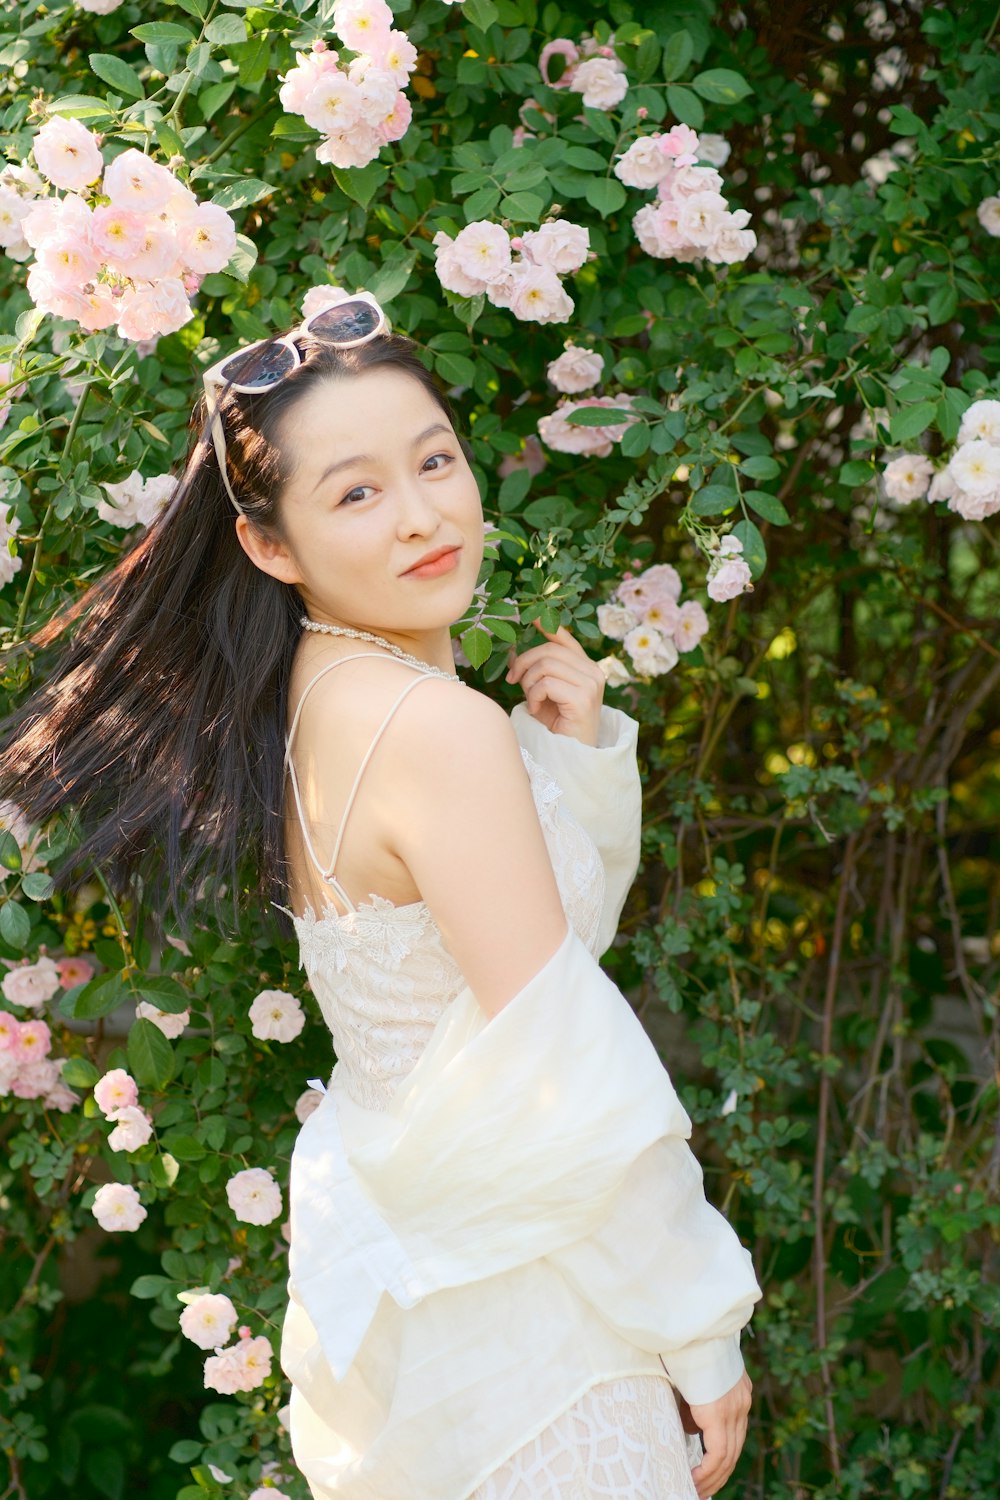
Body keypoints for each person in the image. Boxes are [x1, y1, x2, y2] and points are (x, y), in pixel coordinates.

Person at [0, 292, 762, 1500]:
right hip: (543, 1326)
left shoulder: (311, 698)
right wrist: (701, 1322)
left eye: (435, 461)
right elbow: (559, 1049)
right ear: (270, 543)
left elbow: (525, 969)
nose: (421, 515)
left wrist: (571, 758)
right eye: (356, 493)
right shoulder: (435, 728)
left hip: (443, 1318)